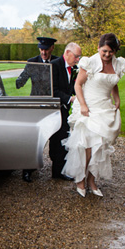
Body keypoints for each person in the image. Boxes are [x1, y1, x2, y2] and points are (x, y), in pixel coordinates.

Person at [62, 33, 125, 197]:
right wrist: (82, 105)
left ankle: (92, 181)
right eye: (104, 51)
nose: (106, 55)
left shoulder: (118, 64)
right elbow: (78, 84)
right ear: (98, 48)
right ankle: (80, 180)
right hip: (88, 108)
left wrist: (116, 98)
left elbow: (113, 82)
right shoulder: (90, 62)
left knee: (100, 148)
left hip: (104, 108)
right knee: (87, 147)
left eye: (110, 52)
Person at [17, 37, 59, 182]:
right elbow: (21, 80)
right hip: (35, 105)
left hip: (52, 105)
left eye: (46, 49)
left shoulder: (57, 62)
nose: (43, 52)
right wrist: (19, 81)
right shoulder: (32, 62)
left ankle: (57, 170)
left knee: (56, 138)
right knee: (33, 138)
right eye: (41, 49)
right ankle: (28, 170)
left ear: (52, 48)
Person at [49, 42, 82, 180]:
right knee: (58, 139)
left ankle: (58, 170)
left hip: (65, 109)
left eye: (79, 57)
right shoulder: (54, 65)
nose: (77, 60)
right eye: (76, 56)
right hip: (55, 110)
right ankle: (57, 171)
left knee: (63, 138)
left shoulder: (73, 68)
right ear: (67, 53)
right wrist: (70, 98)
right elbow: (53, 90)